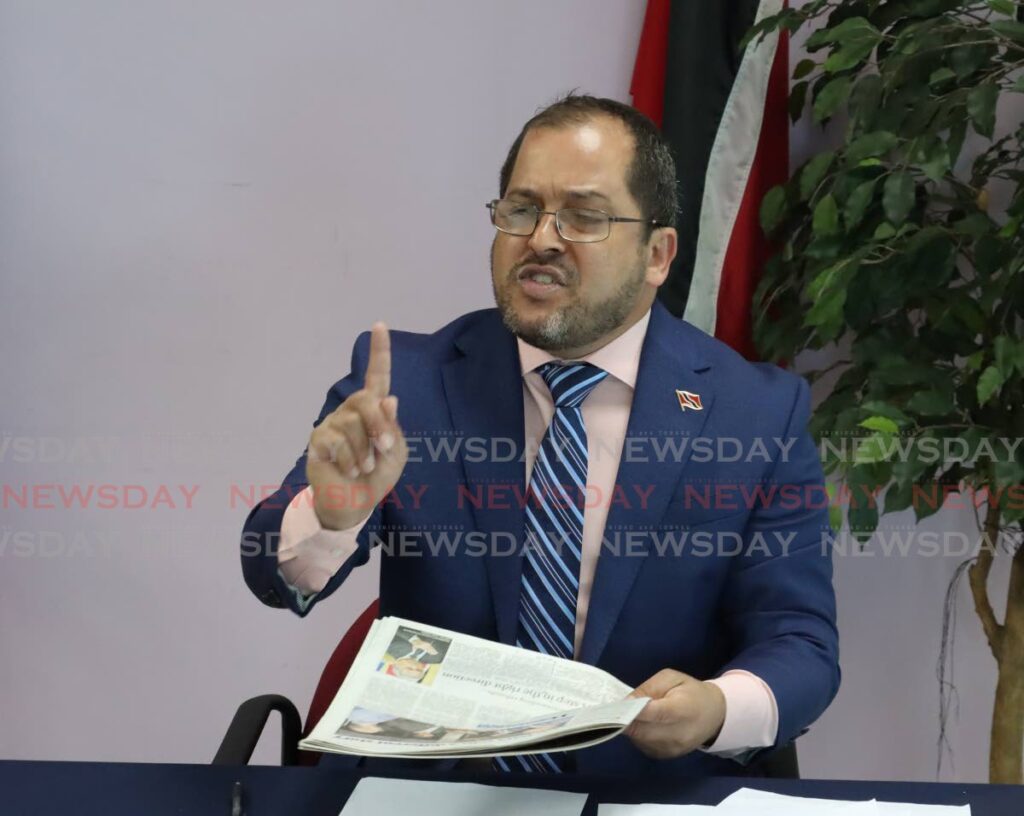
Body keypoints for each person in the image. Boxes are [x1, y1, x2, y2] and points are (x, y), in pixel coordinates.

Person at [241, 94, 840, 778]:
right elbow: (270, 573)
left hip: (643, 795)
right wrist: (332, 513)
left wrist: (717, 707)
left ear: (657, 254)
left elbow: (800, 643)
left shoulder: (754, 414)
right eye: (521, 210)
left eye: (583, 216)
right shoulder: (406, 385)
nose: (542, 239)